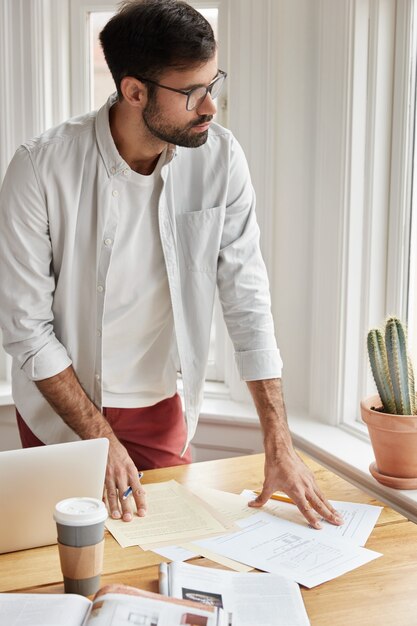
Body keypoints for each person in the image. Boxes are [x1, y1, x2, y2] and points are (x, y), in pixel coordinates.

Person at [0, 0, 343, 530]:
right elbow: (26, 329)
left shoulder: (222, 159)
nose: (210, 107)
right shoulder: (39, 167)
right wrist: (99, 439)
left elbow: (247, 301)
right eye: (192, 93)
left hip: (159, 409)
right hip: (57, 413)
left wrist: (279, 443)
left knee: (179, 554)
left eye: (214, 83)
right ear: (134, 91)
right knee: (61, 568)